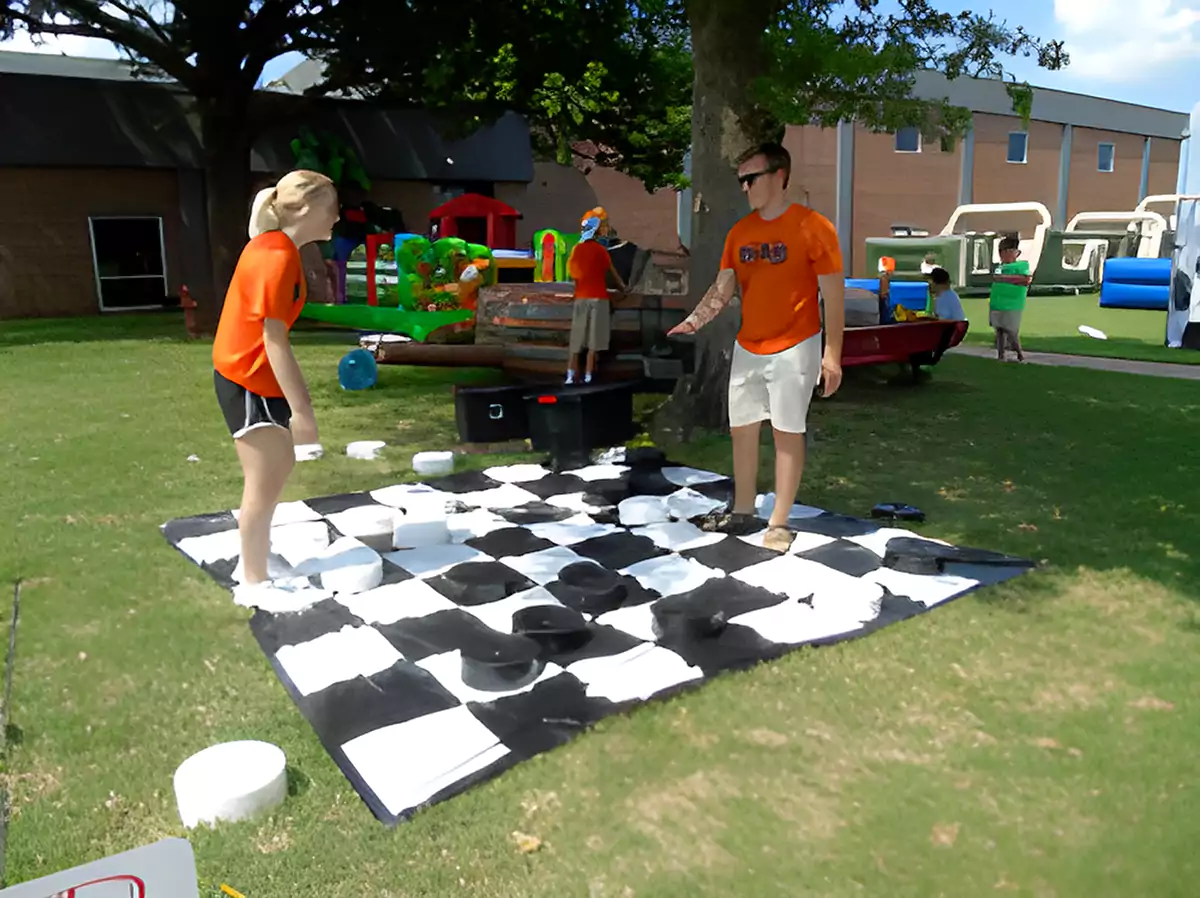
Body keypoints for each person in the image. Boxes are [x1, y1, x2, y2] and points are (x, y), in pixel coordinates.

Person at [667, 142, 845, 553]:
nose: (745, 187)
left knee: (787, 431)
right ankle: (743, 508)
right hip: (749, 346)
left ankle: (779, 522)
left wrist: (832, 353)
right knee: (741, 429)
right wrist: (694, 320)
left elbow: (833, 294)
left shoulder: (814, 227)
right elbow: (723, 287)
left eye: (752, 178)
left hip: (796, 345)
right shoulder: (740, 232)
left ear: (779, 177)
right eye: (741, 180)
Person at [211, 169, 340, 599]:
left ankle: (256, 561)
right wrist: (302, 412)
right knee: (264, 479)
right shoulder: (275, 255)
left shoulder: (278, 248)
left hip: (253, 374)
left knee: (277, 467)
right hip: (246, 376)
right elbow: (274, 339)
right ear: (305, 209)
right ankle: (252, 579)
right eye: (332, 208)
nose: (337, 217)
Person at [565, 209, 627, 385]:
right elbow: (614, 276)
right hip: (599, 298)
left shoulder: (576, 250)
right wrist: (624, 288)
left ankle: (570, 376)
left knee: (576, 340)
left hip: (581, 298)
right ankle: (588, 376)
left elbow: (573, 275)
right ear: (598, 231)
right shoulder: (601, 251)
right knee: (594, 341)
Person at [989, 234, 1031, 362]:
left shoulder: (1022, 266)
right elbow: (996, 278)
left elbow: (1024, 280)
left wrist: (1004, 279)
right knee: (999, 330)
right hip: (997, 302)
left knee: (1011, 330)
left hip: (1013, 303)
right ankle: (1001, 356)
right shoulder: (999, 267)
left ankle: (1020, 355)